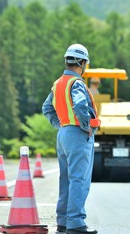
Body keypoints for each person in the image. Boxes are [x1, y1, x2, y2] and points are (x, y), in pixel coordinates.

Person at [42, 43, 100, 234]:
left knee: (66, 179)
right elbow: (81, 105)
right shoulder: (76, 83)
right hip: (77, 134)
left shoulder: (58, 84)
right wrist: (86, 127)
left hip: (64, 134)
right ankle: (76, 223)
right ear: (82, 62)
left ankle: (64, 222)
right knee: (79, 179)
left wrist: (61, 124)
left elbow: (46, 108)